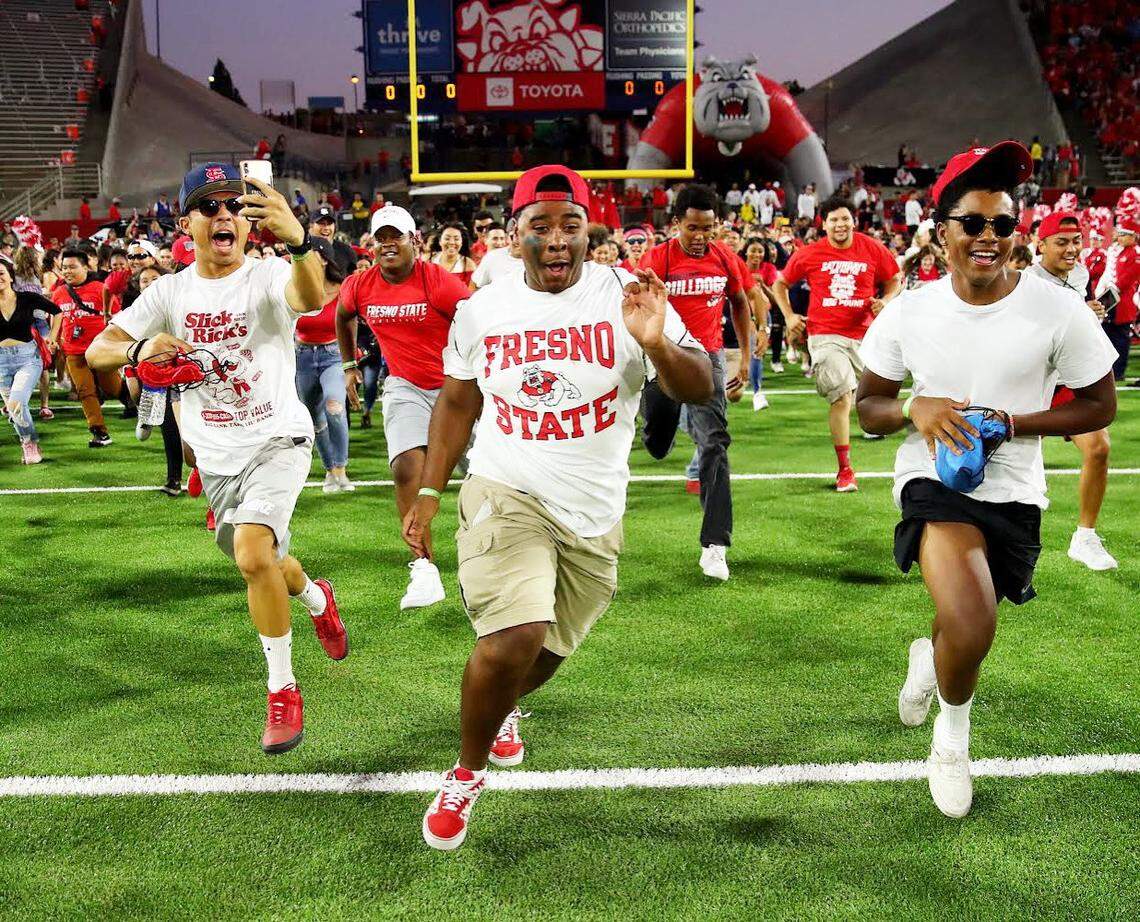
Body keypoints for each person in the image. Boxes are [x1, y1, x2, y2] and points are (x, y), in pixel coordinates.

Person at [402, 164, 712, 851]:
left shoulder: (627, 298)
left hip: (594, 513)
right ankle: (465, 772)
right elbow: (458, 402)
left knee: (538, 656)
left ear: (587, 232)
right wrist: (429, 488)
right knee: (516, 633)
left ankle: (501, 706)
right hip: (506, 487)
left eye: (569, 225)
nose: (556, 240)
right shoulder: (484, 310)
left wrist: (657, 341)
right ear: (515, 237)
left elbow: (697, 388)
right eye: (539, 227)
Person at [856, 142, 1117, 819]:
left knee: (961, 626)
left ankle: (928, 659)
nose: (988, 238)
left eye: (1003, 225)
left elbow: (1100, 404)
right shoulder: (909, 312)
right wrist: (917, 407)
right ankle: (951, 741)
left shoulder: (1057, 309)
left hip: (1014, 490)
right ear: (940, 230)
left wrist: (1011, 421)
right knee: (973, 620)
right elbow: (870, 408)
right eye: (973, 223)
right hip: (932, 481)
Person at [86, 163, 348, 754]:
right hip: (219, 456)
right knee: (268, 561)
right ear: (186, 223)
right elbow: (100, 349)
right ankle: (315, 598)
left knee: (254, 550)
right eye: (209, 206)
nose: (224, 213)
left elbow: (309, 300)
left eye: (234, 204)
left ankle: (282, 689)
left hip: (279, 438)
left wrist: (302, 241)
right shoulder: (170, 291)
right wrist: (140, 346)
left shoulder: (269, 273)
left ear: (250, 222)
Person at [337, 205, 472, 610]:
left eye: (396, 236)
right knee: (406, 467)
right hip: (405, 385)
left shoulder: (439, 282)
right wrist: (349, 364)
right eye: (381, 237)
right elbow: (343, 316)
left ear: (415, 241)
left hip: (456, 386)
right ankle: (424, 568)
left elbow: (475, 321)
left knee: (488, 474)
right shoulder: (360, 285)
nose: (388, 244)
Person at [637, 184, 763, 580]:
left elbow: (740, 302)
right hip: (663, 358)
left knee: (715, 442)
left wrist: (744, 357)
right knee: (657, 446)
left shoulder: (724, 256)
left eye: (707, 228)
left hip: (707, 359)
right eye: (693, 228)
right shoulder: (656, 259)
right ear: (676, 224)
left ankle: (715, 544)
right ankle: (666, 425)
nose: (700, 237)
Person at [772, 195, 902, 492]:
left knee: (866, 400)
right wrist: (790, 316)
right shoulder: (810, 253)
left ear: (853, 221)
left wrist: (885, 300)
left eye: (845, 218)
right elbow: (780, 284)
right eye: (834, 220)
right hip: (825, 334)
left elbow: (894, 278)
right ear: (824, 224)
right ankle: (845, 470)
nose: (840, 224)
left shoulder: (871, 247)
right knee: (842, 398)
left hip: (864, 337)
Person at [1024, 211, 1116, 570]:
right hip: (1029, 381)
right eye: (1061, 242)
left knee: (1099, 447)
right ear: (1040, 244)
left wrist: (1089, 315)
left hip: (1066, 381)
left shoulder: (1078, 276)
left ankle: (1085, 537)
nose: (1072, 248)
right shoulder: (1026, 282)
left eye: (1076, 240)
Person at [295, 236, 353, 494]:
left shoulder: (342, 288)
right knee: (314, 419)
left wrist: (352, 361)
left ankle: (341, 468)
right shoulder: (294, 287)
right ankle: (330, 470)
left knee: (335, 407)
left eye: (312, 254)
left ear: (324, 258)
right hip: (303, 356)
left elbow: (352, 323)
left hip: (333, 354)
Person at [51, 248, 119, 446]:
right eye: (64, 267)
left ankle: (127, 397)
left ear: (86, 267)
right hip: (74, 352)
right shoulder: (58, 293)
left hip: (100, 350)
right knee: (85, 391)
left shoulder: (101, 288)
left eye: (72, 267)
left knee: (111, 388)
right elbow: (56, 320)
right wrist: (53, 339)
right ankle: (99, 432)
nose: (67, 271)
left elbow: (117, 316)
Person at [0, 257, 60, 464]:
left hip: (27, 359)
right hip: (0, 364)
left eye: (1, 273)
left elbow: (57, 312)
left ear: (9, 276)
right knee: (16, 410)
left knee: (16, 404)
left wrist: (52, 337)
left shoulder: (27, 298)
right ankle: (27, 438)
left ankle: (29, 443)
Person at [309, 205, 356, 276]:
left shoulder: (347, 251)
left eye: (329, 223)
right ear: (311, 226)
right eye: (321, 223)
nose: (326, 228)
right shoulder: (303, 251)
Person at [469, 223, 520, 289]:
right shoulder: (481, 259)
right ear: (485, 240)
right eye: (495, 238)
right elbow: (473, 286)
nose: (499, 243)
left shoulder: (512, 260)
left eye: (502, 238)